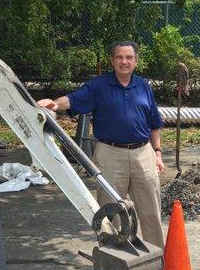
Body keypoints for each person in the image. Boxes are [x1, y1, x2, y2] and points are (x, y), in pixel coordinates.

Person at [37, 40, 165, 249]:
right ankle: (114, 259)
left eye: (129, 57)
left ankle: (158, 262)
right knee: (111, 211)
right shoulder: (99, 86)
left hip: (143, 153)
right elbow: (73, 99)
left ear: (136, 61)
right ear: (112, 60)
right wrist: (55, 103)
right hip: (109, 153)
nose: (124, 61)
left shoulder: (143, 86)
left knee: (151, 211)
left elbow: (154, 124)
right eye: (119, 57)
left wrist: (158, 153)